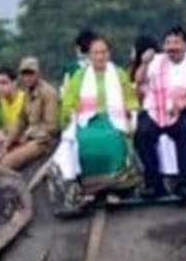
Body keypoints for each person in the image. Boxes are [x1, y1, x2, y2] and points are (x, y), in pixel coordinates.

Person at [134, 26, 186, 200]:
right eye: (168, 43)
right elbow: (139, 80)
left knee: (185, 133)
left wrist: (181, 104)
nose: (172, 47)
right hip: (155, 110)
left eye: (176, 42)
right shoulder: (157, 61)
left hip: (179, 111)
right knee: (143, 134)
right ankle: (154, 183)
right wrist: (144, 63)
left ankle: (185, 183)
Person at [55, 35, 137, 182]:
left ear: (109, 54)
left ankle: (115, 188)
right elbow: (69, 101)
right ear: (90, 55)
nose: (100, 56)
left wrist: (132, 116)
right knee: (84, 141)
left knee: (113, 140)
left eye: (104, 52)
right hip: (87, 121)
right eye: (96, 53)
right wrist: (68, 115)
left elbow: (130, 100)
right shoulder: (79, 76)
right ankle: (89, 188)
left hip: (114, 121)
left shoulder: (119, 74)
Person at [0, 56, 61, 172]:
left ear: (38, 74)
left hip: (44, 141)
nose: (27, 78)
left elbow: (52, 127)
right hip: (30, 138)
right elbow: (21, 121)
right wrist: (8, 142)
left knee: (7, 163)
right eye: (24, 74)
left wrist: (28, 135)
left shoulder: (49, 93)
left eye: (30, 74)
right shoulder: (27, 93)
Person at [0, 66, 25, 143]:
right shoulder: (3, 101)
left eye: (4, 83)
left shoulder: (25, 100)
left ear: (14, 83)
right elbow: (3, 126)